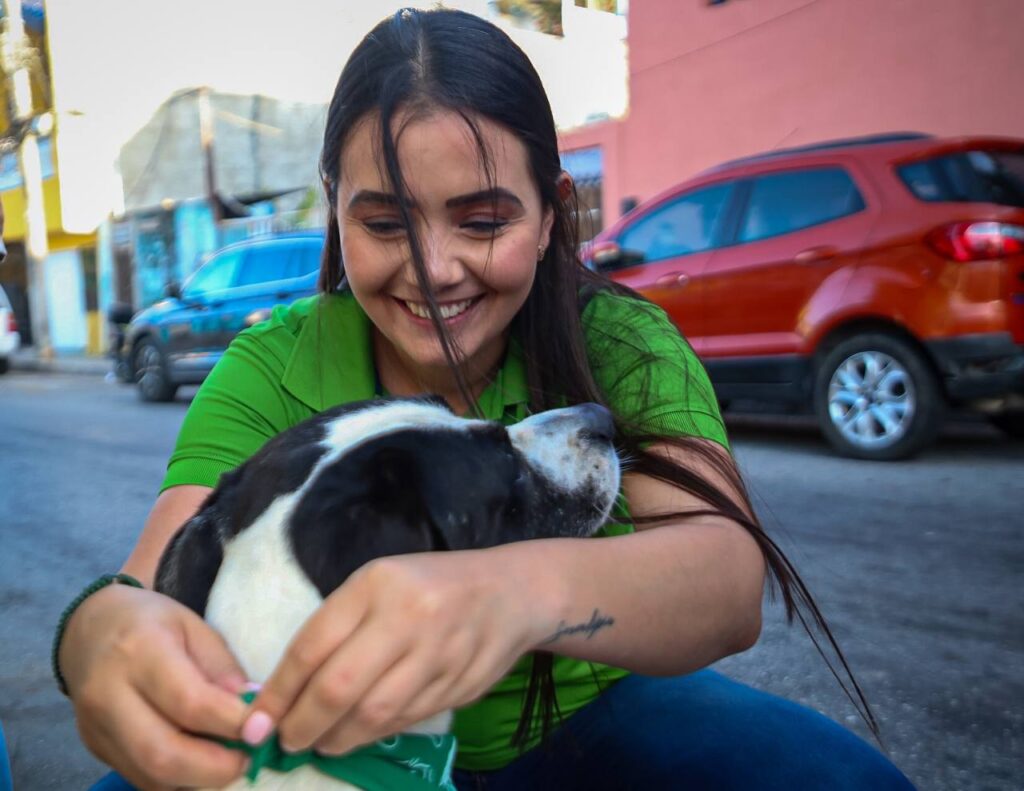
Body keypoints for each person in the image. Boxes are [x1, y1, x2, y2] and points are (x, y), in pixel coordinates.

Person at [57, 9, 914, 790]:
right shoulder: (270, 363)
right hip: (325, 744)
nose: (433, 271)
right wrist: (97, 632)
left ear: (552, 215)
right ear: (335, 214)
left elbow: (725, 580)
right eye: (385, 225)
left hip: (592, 721)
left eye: (483, 221)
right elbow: (158, 576)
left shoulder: (619, 341)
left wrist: (507, 593)